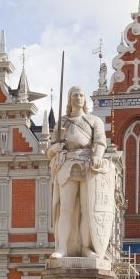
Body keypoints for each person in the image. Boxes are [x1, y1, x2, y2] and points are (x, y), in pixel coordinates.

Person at [46, 86, 115, 260]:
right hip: (67, 164)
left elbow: (100, 143)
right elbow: (50, 150)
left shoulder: (94, 121)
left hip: (88, 164)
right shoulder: (62, 123)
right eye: (75, 95)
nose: (78, 97)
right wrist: (55, 147)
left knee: (87, 208)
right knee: (66, 208)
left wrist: (98, 156)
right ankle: (62, 248)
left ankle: (86, 247)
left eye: (81, 95)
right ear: (70, 99)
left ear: (85, 99)